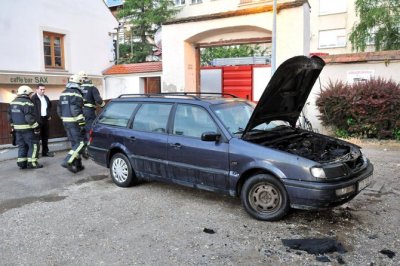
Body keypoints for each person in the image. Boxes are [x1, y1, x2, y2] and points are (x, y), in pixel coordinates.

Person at [8, 85, 43, 169]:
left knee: (22, 145)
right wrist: (36, 127)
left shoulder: (12, 102)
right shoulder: (27, 103)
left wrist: (13, 126)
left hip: (17, 130)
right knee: (34, 145)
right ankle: (32, 163)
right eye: (30, 94)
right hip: (28, 129)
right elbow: (28, 117)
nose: (31, 95)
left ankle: (22, 163)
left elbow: (9, 117)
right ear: (26, 93)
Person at [57, 74, 86, 173]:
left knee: (74, 143)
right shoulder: (76, 93)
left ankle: (78, 165)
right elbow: (75, 109)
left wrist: (64, 118)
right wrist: (81, 122)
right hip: (74, 122)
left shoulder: (63, 93)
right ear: (78, 83)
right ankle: (67, 160)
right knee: (80, 143)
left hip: (65, 122)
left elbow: (59, 109)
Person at [78, 71, 105, 158]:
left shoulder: (77, 88)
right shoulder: (92, 88)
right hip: (89, 111)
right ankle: (88, 150)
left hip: (78, 112)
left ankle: (80, 149)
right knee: (90, 130)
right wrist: (104, 107)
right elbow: (98, 100)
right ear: (87, 78)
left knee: (81, 130)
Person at [31, 83, 54, 157]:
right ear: (37, 89)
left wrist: (49, 115)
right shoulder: (33, 98)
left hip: (45, 119)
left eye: (44, 89)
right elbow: (31, 110)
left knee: (45, 136)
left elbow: (49, 106)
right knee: (36, 138)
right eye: (41, 89)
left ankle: (45, 152)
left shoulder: (46, 97)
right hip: (37, 120)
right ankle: (36, 154)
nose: (43, 91)